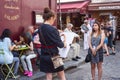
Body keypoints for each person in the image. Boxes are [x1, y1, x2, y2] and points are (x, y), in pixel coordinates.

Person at [38, 7, 66, 80]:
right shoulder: (53, 29)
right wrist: (65, 42)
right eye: (54, 19)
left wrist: (57, 34)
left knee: (48, 75)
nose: (54, 20)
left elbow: (47, 38)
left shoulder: (40, 28)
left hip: (44, 55)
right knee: (62, 75)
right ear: (51, 17)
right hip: (54, 56)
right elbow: (60, 45)